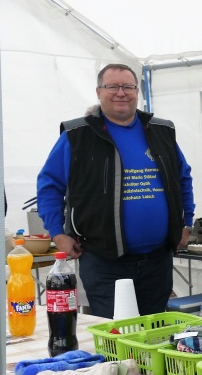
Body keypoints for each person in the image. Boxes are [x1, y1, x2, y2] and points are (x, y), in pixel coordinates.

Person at [36, 63, 194, 318]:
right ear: (99, 92)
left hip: (157, 261)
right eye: (112, 87)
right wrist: (57, 233)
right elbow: (49, 185)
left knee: (155, 333)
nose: (121, 93)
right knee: (116, 337)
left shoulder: (162, 131)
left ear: (137, 92)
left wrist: (186, 224)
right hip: (104, 262)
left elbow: (183, 178)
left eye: (128, 87)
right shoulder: (77, 135)